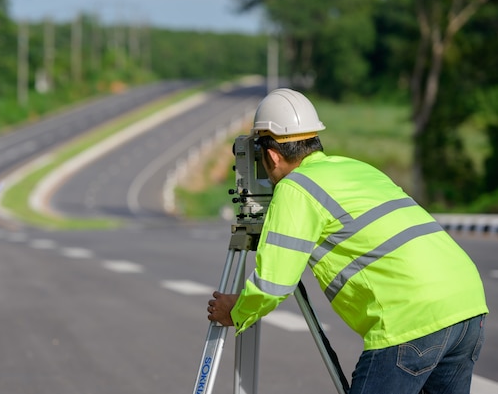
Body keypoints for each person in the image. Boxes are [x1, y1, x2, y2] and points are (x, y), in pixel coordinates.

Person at [207, 88, 488, 394]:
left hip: (411, 319)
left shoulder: (295, 189)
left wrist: (236, 312)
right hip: (467, 305)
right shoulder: (355, 167)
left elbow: (274, 284)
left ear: (272, 155)